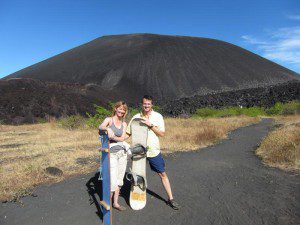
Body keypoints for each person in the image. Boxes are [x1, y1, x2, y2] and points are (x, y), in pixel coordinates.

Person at [126, 95, 181, 210]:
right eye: (145, 103)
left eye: (148, 104)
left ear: (152, 105)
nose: (146, 106)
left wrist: (150, 125)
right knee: (137, 174)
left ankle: (171, 199)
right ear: (142, 104)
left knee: (162, 174)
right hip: (139, 152)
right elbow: (128, 133)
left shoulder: (157, 116)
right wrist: (113, 139)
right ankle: (136, 194)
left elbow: (162, 134)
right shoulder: (136, 117)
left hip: (153, 151)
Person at [99, 101, 129, 211]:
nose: (121, 111)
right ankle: (107, 206)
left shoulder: (124, 124)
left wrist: (114, 138)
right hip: (111, 153)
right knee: (112, 180)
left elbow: (122, 138)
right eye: (120, 109)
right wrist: (108, 128)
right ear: (115, 109)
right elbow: (100, 127)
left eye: (123, 110)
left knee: (120, 179)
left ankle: (116, 203)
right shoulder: (109, 120)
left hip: (122, 153)